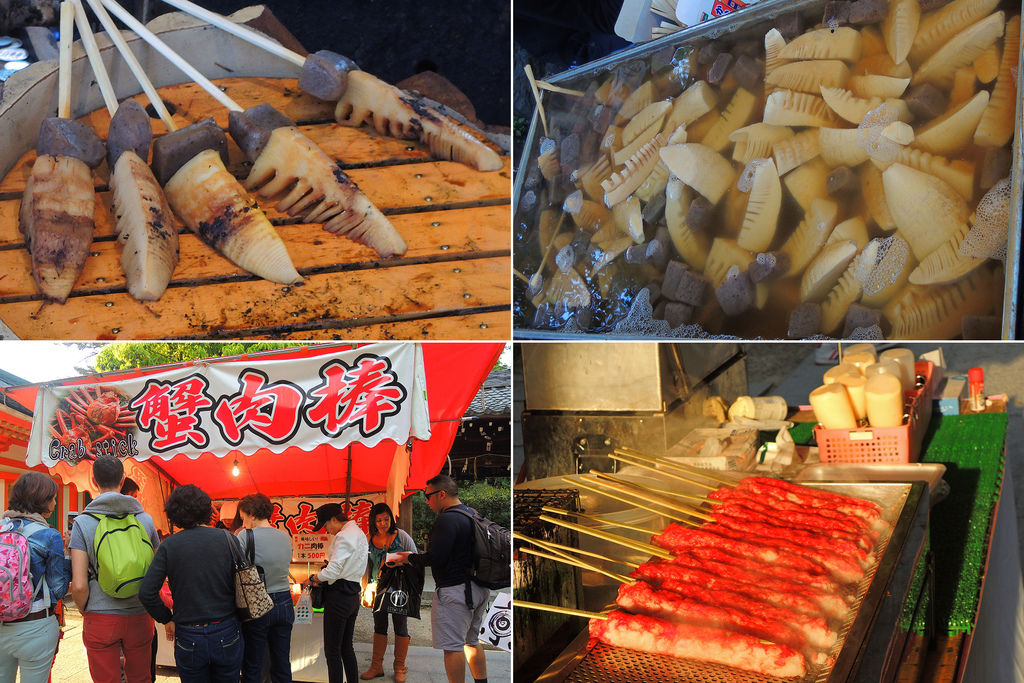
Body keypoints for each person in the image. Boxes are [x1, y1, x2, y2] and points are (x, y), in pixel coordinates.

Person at [138, 484, 243, 683]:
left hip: (188, 633)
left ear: (174, 513)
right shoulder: (229, 539)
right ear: (205, 508)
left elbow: (146, 592)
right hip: (226, 629)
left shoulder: (169, 545)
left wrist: (166, 618)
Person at [69, 456, 160, 683]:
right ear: (122, 480)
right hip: (139, 613)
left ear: (93, 480)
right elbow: (156, 574)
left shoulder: (83, 522)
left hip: (100, 615)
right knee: (141, 678)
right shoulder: (145, 520)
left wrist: (85, 609)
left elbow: (79, 585)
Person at [399, 474, 489, 683]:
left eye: (428, 495)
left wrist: (408, 558)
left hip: (455, 592)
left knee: (452, 647)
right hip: (479, 588)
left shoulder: (447, 519)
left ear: (441, 494)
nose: (427, 500)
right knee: (472, 641)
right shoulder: (472, 514)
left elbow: (436, 558)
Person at [0, 471, 71, 683]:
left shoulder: (2, 529)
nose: (55, 502)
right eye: (53, 497)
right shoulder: (49, 535)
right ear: (42, 500)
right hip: (34, 625)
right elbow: (58, 589)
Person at [306, 503, 368, 683]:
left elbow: (333, 571)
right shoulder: (358, 533)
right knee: (347, 648)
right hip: (353, 596)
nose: (327, 530)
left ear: (334, 519)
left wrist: (313, 577)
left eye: (325, 525)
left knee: (332, 651)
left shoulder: (344, 536)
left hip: (339, 597)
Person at [236, 493, 294, 683]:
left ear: (252, 514)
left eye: (244, 518)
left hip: (257, 603)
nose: (243, 523)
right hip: (285, 602)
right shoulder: (285, 536)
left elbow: (235, 569)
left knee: (253, 664)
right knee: (282, 662)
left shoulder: (244, 535)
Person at [360, 503, 417, 682]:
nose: (383, 523)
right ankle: (376, 666)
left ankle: (400, 667)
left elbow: (415, 558)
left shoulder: (401, 536)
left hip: (398, 589)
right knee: (379, 626)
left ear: (391, 519)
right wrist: (364, 589)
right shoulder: (369, 538)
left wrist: (397, 561)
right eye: (379, 520)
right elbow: (364, 565)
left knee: (401, 626)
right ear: (373, 521)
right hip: (376, 589)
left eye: (386, 519)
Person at [119, 475, 159, 683]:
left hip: (105, 611)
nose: (137, 501)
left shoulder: (90, 520)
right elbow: (156, 564)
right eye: (134, 496)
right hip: (138, 607)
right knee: (142, 668)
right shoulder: (144, 520)